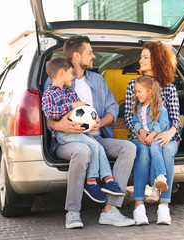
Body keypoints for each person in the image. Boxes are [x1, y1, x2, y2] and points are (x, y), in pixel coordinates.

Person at [44, 36, 136, 229]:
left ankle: (110, 210)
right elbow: (49, 117)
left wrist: (101, 122)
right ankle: (73, 212)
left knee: (128, 148)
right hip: (68, 141)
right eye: (90, 52)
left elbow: (112, 107)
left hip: (97, 136)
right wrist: (62, 126)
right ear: (76, 55)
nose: (93, 56)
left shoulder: (97, 79)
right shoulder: (57, 82)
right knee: (83, 150)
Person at [42, 57, 125, 206]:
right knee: (93, 146)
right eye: (71, 73)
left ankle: (108, 179)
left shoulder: (69, 91)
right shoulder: (49, 94)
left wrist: (91, 117)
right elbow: (50, 112)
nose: (73, 76)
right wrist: (70, 106)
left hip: (78, 133)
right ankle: (91, 181)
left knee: (98, 146)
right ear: (61, 73)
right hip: (63, 135)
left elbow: (81, 109)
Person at [124, 41, 180, 225]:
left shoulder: (169, 87)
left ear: (157, 60)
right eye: (141, 57)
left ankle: (164, 205)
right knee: (143, 152)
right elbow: (128, 115)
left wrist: (168, 134)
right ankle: (139, 204)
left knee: (165, 150)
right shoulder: (134, 84)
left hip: (166, 134)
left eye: (145, 57)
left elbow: (175, 120)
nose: (140, 60)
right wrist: (140, 133)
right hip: (141, 135)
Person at [131, 75, 170, 203]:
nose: (137, 94)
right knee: (149, 152)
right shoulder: (138, 108)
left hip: (157, 137)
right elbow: (135, 121)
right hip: (146, 138)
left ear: (150, 91)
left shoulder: (159, 108)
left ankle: (161, 177)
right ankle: (155, 190)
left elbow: (162, 125)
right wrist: (141, 133)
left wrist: (151, 136)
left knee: (155, 150)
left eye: (139, 91)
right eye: (136, 91)